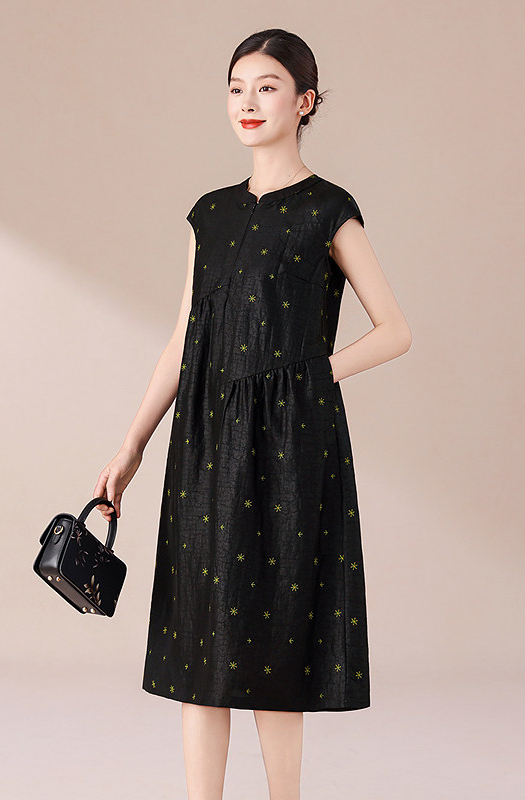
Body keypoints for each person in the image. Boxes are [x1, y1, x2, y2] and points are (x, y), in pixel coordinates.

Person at [93, 27, 411, 800]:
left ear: (305, 101)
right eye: (237, 87)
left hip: (292, 443)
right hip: (204, 443)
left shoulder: (328, 210)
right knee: (200, 649)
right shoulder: (209, 214)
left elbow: (395, 330)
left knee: (274, 643)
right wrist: (132, 444)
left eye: (268, 87)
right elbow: (184, 338)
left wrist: (311, 375)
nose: (248, 102)